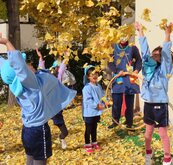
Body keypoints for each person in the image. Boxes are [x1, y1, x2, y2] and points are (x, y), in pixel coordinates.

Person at [0, 34, 77, 165]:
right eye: (26, 64)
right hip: (38, 130)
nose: (28, 64)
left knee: (30, 160)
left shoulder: (25, 86)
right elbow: (19, 66)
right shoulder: (31, 84)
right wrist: (6, 42)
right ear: (21, 74)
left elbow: (18, 68)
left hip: (28, 130)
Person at [135, 22, 173, 165]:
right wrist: (140, 32)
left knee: (162, 133)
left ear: (162, 59)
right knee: (148, 132)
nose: (154, 55)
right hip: (148, 105)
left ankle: (167, 158)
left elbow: (166, 54)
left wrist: (167, 35)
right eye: (154, 53)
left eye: (158, 55)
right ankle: (148, 154)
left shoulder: (164, 71)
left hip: (160, 105)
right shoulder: (147, 69)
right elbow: (144, 52)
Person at [36, 48, 70, 149]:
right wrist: (40, 58)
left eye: (58, 68)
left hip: (56, 110)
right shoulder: (43, 80)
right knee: (41, 130)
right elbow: (41, 70)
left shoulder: (57, 80)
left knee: (65, 132)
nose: (57, 69)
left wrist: (66, 57)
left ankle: (62, 138)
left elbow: (62, 70)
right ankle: (41, 145)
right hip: (44, 109)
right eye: (56, 67)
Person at [108, 34, 142, 129]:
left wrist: (136, 70)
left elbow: (139, 60)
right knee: (116, 101)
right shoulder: (113, 48)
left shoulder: (133, 47)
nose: (123, 38)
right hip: (118, 77)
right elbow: (110, 62)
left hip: (130, 77)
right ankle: (115, 121)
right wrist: (117, 71)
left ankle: (129, 122)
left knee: (129, 103)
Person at [82, 65, 105, 153]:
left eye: (95, 73)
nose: (94, 76)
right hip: (89, 113)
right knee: (88, 129)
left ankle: (94, 142)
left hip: (96, 112)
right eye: (92, 75)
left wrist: (105, 101)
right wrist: (96, 105)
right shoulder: (87, 88)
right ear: (88, 77)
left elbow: (102, 95)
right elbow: (87, 100)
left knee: (94, 127)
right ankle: (87, 144)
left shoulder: (98, 86)